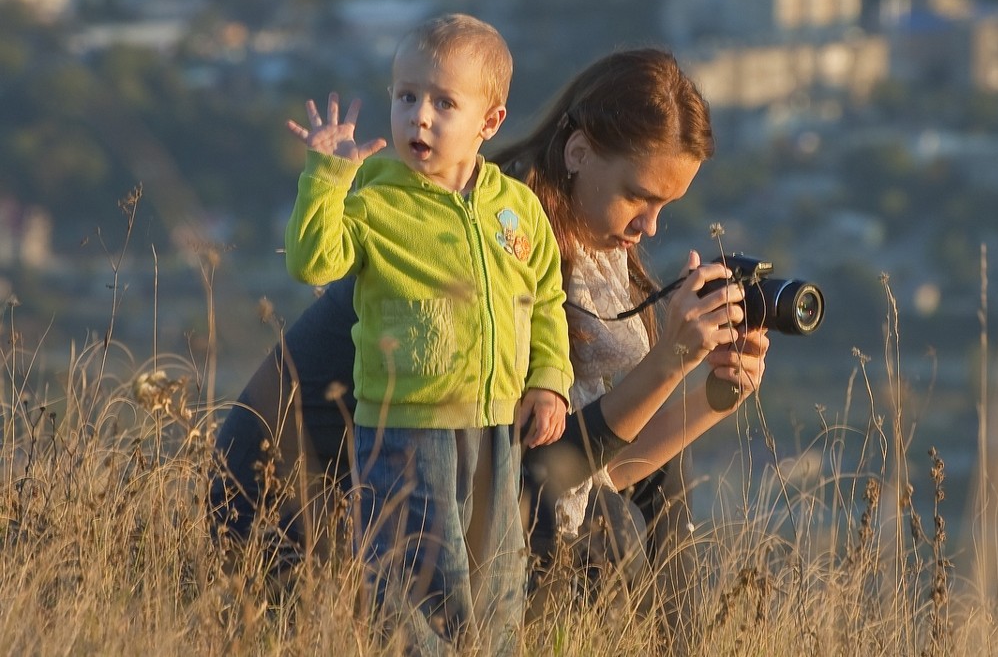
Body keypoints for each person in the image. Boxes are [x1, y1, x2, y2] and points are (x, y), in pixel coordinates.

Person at [210, 46, 770, 644]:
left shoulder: (585, 251)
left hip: (431, 484)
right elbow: (542, 471)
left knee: (651, 479)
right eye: (639, 196)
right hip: (294, 516)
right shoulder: (500, 238)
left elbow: (610, 468)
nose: (650, 226)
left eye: (665, 206)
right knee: (597, 521)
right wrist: (666, 362)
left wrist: (713, 394)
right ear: (579, 153)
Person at [280, 12, 573, 654]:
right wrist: (327, 177)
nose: (420, 117)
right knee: (416, 589)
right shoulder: (375, 199)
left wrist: (549, 383)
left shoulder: (515, 207)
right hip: (406, 428)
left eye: (444, 103)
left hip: (496, 426)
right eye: (406, 96)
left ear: (489, 123)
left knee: (497, 588)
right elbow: (312, 261)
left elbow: (546, 297)